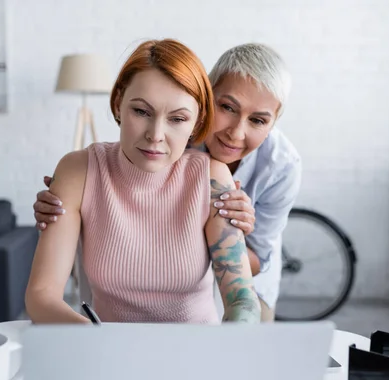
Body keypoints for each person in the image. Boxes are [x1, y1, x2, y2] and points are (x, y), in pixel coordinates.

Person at [34, 43, 302, 322]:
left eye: (177, 119)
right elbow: (43, 294)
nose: (156, 135)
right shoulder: (81, 170)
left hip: (231, 303)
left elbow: (244, 296)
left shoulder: (268, 167)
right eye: (141, 112)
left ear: (195, 121)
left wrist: (223, 236)